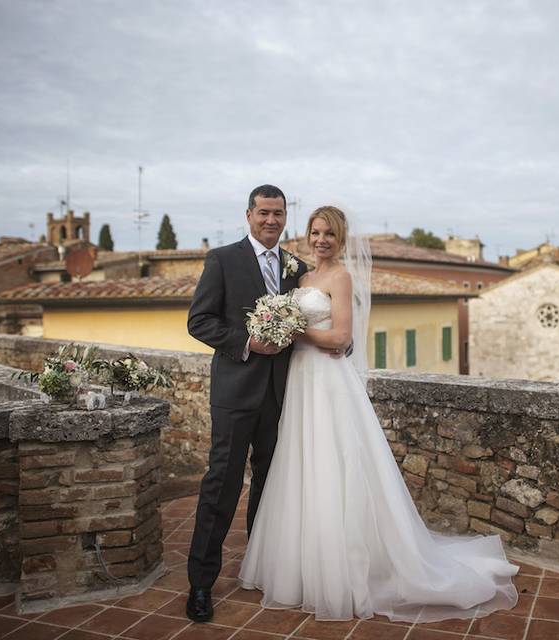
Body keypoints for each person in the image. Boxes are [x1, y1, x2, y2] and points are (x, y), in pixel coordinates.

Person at [237, 206, 518, 622]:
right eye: (315, 232)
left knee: (336, 465)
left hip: (329, 382)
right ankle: (301, 566)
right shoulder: (301, 278)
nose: (321, 240)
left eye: (329, 234)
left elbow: (340, 337)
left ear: (341, 238)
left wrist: (293, 331)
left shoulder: (341, 278)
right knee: (302, 465)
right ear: (306, 236)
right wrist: (278, 327)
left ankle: (344, 572)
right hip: (300, 381)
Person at [185, 184, 308, 623]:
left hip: (282, 395)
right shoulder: (223, 259)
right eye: (263, 213)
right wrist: (248, 342)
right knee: (221, 484)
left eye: (278, 213)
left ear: (285, 216)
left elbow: (311, 322)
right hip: (236, 394)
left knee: (270, 485)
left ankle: (259, 567)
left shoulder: (298, 267)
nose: (271, 220)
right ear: (248, 215)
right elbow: (199, 321)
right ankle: (200, 583)